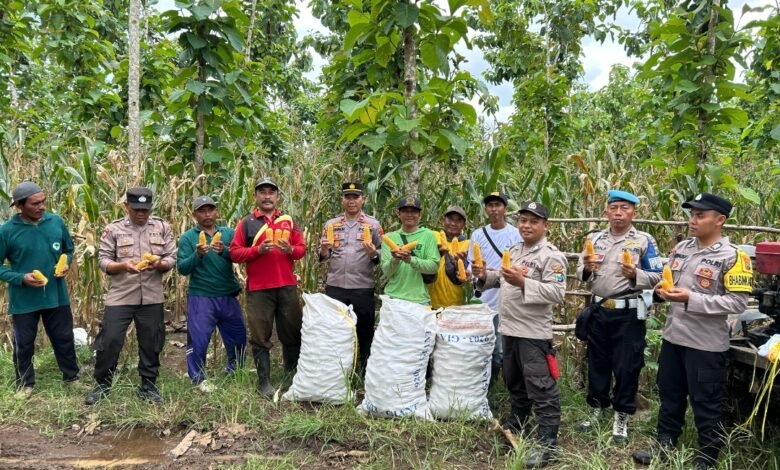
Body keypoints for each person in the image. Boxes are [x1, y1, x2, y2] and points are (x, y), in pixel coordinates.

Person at [633, 193, 751, 470]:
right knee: (670, 396)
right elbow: (667, 282)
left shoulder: (733, 257)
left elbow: (736, 302)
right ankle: (665, 445)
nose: (693, 220)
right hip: (674, 338)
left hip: (706, 345)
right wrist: (660, 294)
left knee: (706, 404)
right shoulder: (682, 249)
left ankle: (707, 457)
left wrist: (690, 299)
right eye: (692, 214)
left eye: (700, 215)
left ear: (719, 220)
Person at [473, 201, 567, 468]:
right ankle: (518, 420)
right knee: (514, 378)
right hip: (509, 327)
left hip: (532, 332)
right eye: (523, 220)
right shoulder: (514, 250)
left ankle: (548, 440)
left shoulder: (551, 256)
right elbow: (503, 278)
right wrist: (485, 275)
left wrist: (524, 282)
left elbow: (557, 293)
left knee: (540, 384)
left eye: (533, 221)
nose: (526, 225)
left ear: (545, 226)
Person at [576, 189, 663, 442]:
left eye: (624, 208)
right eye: (614, 208)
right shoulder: (595, 239)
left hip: (629, 313)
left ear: (634, 213)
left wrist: (635, 274)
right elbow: (580, 271)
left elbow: (658, 276)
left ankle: (622, 416)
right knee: (597, 363)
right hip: (599, 311)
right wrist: (586, 270)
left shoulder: (644, 241)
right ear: (606, 212)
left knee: (627, 366)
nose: (618, 213)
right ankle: (596, 408)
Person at [87, 187, 176, 405]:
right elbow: (104, 260)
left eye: (145, 210)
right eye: (136, 209)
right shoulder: (114, 229)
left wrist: (160, 263)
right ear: (126, 206)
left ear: (150, 208)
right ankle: (103, 384)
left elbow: (172, 257)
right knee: (110, 339)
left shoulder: (162, 227)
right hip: (121, 295)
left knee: (151, 341)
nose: (140, 214)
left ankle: (148, 385)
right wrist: (122, 266)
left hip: (152, 296)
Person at [0, 182, 80, 399]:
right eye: (35, 203)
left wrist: (65, 264)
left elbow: (68, 249)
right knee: (24, 342)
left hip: (57, 294)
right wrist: (21, 278)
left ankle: (71, 377)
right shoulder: (6, 231)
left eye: (43, 202)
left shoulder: (56, 222)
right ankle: (25, 384)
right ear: (19, 205)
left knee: (64, 337)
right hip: (24, 298)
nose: (42, 207)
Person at [229, 177, 306, 398]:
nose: (267, 196)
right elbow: (234, 252)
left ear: (277, 196)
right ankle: (264, 382)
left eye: (271, 192)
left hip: (287, 286)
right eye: (262, 192)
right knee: (260, 335)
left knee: (291, 332)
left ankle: (292, 375)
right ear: (256, 197)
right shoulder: (247, 223)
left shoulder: (288, 221)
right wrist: (257, 251)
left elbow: (301, 250)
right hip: (259, 289)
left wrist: (290, 249)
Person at [177, 196, 246, 393]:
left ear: (216, 212)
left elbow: (238, 257)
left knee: (238, 337)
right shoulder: (188, 238)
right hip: (202, 296)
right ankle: (198, 377)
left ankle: (236, 370)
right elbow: (182, 268)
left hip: (227, 294)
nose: (207, 214)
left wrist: (224, 252)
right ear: (194, 215)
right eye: (202, 211)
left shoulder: (229, 234)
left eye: (211, 210)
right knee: (199, 339)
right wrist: (197, 254)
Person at [318, 182, 382, 372]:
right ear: (342, 200)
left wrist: (373, 254)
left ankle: (363, 370)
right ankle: (338, 370)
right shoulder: (331, 224)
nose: (352, 201)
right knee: (337, 330)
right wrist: (322, 250)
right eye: (348, 197)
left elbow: (382, 253)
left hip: (362, 286)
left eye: (356, 197)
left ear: (363, 199)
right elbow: (323, 256)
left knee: (364, 330)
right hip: (336, 286)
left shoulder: (373, 225)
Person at [469, 192, 522, 378]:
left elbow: (521, 263)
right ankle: (483, 385)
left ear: (505, 209)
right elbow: (470, 264)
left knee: (500, 350)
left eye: (498, 205)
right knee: (481, 347)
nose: (494, 209)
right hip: (483, 298)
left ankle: (498, 384)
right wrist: (477, 271)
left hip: (506, 298)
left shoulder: (516, 234)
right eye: (490, 205)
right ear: (485, 210)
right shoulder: (478, 234)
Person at [380, 195, 439, 305]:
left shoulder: (428, 236)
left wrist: (410, 260)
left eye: (414, 211)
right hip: (393, 298)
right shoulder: (390, 237)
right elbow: (386, 271)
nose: (409, 215)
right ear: (398, 214)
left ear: (420, 214)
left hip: (419, 299)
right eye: (405, 211)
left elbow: (433, 267)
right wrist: (395, 259)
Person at [429, 205, 470, 309]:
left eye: (458, 220)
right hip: (429, 304)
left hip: (455, 305)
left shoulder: (468, 244)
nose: (453, 223)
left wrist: (463, 264)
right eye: (450, 219)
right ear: (443, 220)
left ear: (464, 225)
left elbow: (470, 274)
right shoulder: (432, 236)